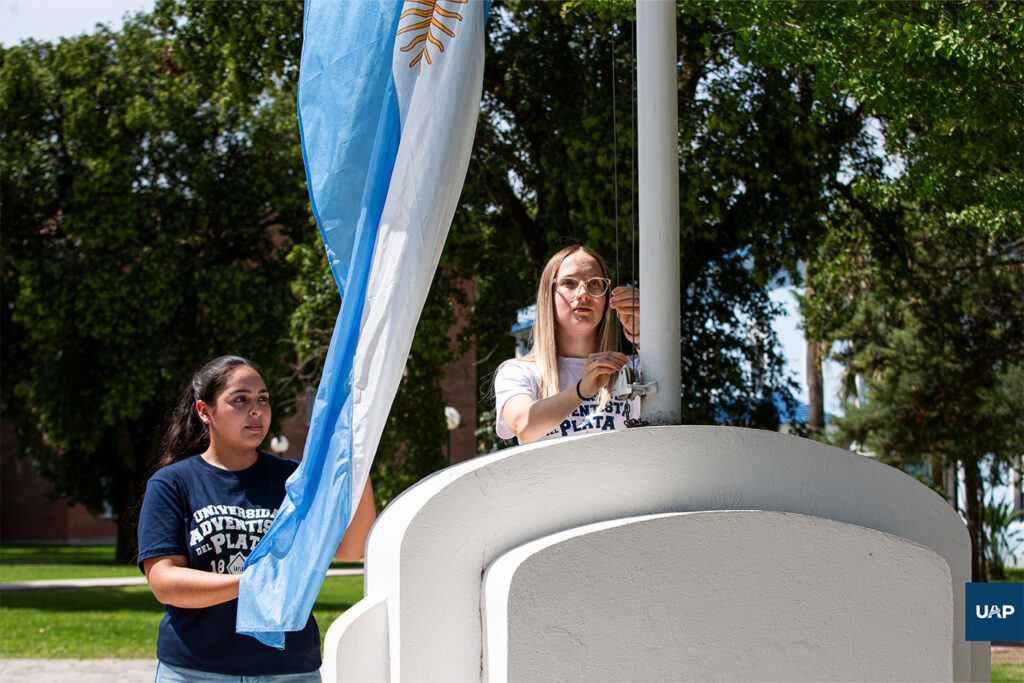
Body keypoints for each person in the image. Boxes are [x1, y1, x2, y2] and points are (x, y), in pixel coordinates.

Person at [137, 355, 376, 682]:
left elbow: (351, 550)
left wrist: (359, 464)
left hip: (289, 670)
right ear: (204, 411)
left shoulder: (294, 480)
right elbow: (165, 582)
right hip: (197, 671)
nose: (256, 410)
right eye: (240, 400)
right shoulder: (173, 483)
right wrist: (254, 583)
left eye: (263, 399)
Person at [495, 245, 641, 444]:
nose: (583, 293)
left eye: (595, 283)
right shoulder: (519, 372)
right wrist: (582, 390)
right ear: (549, 296)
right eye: (569, 283)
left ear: (608, 298)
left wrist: (640, 333)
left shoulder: (632, 370)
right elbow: (523, 425)